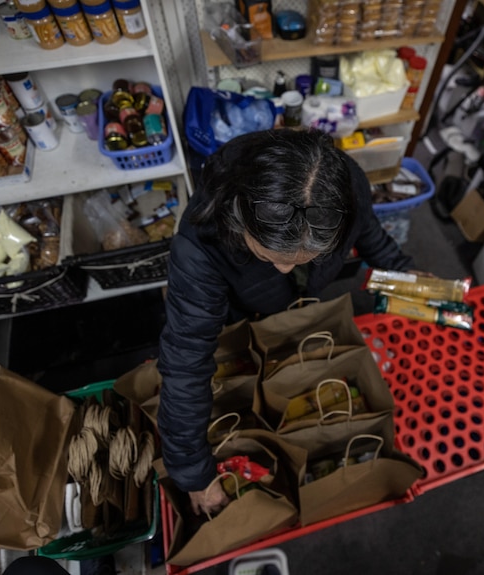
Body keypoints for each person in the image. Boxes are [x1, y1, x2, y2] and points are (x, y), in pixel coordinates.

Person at [157, 128, 416, 516]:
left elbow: (370, 234)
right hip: (240, 317)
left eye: (304, 257)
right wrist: (192, 472)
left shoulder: (347, 188)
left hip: (301, 308)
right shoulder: (201, 242)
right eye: (268, 256)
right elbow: (185, 361)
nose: (283, 266)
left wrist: (406, 277)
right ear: (239, 219)